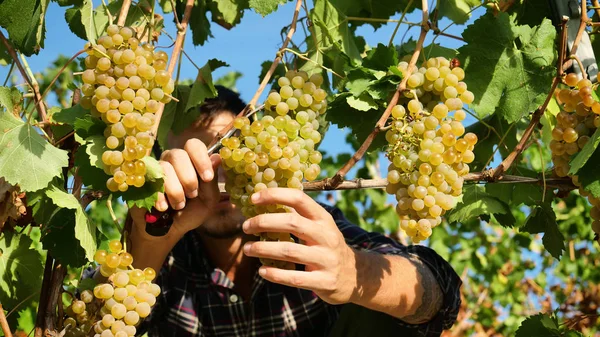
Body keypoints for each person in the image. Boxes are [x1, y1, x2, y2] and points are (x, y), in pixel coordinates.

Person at [128, 86, 462, 337]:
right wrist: (151, 241)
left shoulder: (309, 231)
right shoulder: (167, 259)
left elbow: (440, 294)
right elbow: (98, 323)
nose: (212, 173)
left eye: (226, 150)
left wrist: (354, 273)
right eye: (191, 160)